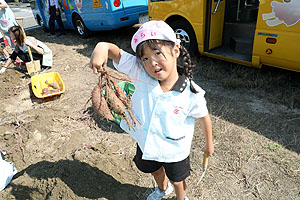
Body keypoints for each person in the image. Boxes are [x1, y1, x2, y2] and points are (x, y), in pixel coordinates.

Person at [89, 20, 214, 200]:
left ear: (175, 51)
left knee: (178, 179)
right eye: (145, 58)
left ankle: (181, 197)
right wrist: (101, 48)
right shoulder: (140, 73)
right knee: (154, 170)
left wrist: (209, 144)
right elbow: (112, 51)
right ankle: (163, 189)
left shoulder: (191, 92)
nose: (152, 63)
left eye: (157, 53)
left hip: (175, 148)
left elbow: (204, 117)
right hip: (146, 141)